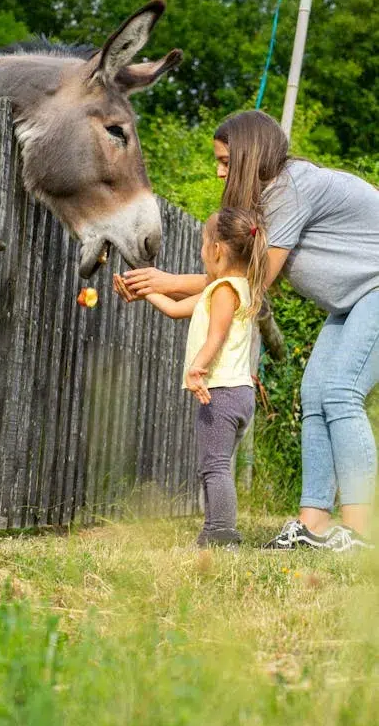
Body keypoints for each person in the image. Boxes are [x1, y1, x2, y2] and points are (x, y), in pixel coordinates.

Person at [114, 110, 379, 552]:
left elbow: (252, 280)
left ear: (249, 155)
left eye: (224, 161)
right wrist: (161, 286)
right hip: (351, 302)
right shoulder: (272, 195)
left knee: (340, 393)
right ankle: (312, 526)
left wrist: (167, 281)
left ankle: (361, 534)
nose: (219, 171)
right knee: (316, 394)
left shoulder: (291, 189)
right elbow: (237, 277)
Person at [115, 207, 267, 548]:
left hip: (222, 391)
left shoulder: (225, 290)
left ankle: (223, 535)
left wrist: (197, 367)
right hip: (235, 392)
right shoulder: (232, 288)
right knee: (214, 466)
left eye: (202, 244)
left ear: (217, 250)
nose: (200, 252)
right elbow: (175, 309)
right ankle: (212, 532)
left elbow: (217, 335)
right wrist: (139, 289)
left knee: (215, 467)